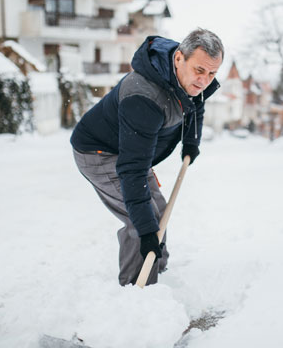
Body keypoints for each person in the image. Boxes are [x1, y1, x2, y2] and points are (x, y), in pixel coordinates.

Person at [70, 28, 224, 286]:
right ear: (179, 59)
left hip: (128, 149)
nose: (204, 80)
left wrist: (190, 142)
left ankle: (156, 269)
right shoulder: (143, 96)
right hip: (98, 152)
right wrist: (145, 231)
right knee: (142, 223)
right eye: (200, 71)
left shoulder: (186, 76)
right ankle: (136, 291)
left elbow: (195, 103)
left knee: (158, 213)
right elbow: (132, 170)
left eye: (212, 74)